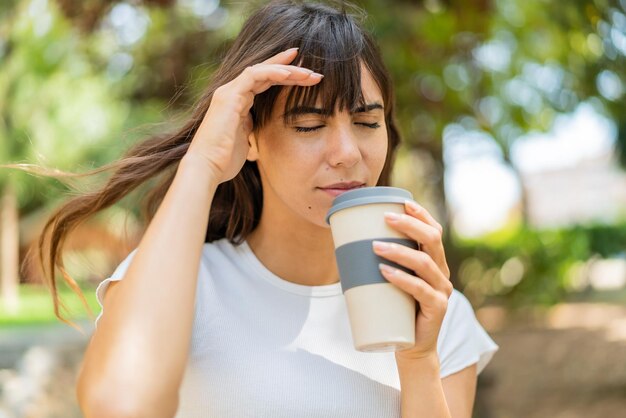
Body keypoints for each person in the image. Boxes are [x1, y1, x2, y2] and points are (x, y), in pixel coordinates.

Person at [29, 1, 498, 417]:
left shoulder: (439, 312)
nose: (347, 152)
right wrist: (204, 163)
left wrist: (418, 362)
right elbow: (120, 406)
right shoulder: (181, 284)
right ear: (248, 136)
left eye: (365, 121)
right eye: (310, 125)